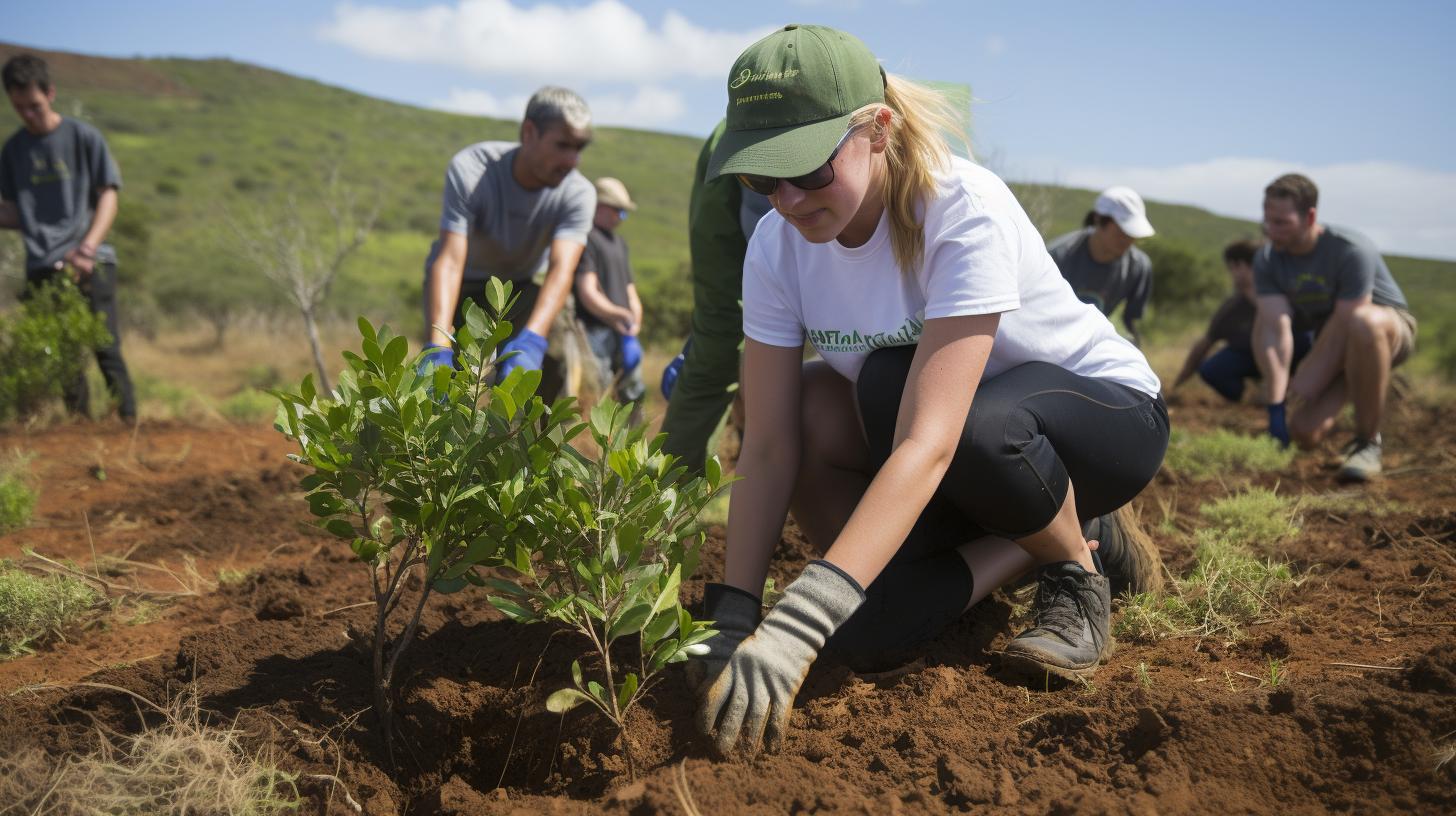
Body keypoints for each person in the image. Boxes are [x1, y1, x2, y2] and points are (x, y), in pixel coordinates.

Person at [689, 24, 1169, 757]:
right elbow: (771, 440)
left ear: (876, 130)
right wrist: (739, 611)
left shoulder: (958, 206)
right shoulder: (776, 248)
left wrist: (798, 619)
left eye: (808, 170)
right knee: (866, 626)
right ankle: (1026, 542)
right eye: (761, 179)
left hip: (1094, 422)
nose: (786, 199)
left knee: (963, 420)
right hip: (955, 454)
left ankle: (1076, 562)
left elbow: (932, 439)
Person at [419, 87, 596, 399]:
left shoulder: (578, 193)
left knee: (553, 372)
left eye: (579, 147)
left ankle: (533, 445)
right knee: (444, 388)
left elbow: (560, 271)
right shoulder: (473, 170)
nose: (572, 160)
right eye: (562, 145)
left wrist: (533, 341)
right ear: (529, 132)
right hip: (463, 286)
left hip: (520, 289)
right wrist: (439, 341)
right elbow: (448, 262)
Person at [1253, 173, 1415, 482]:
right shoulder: (1267, 259)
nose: (1272, 231)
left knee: (1363, 322)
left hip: (1386, 330)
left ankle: (1368, 443)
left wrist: (1309, 376)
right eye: (1268, 221)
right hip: (1336, 345)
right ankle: (1363, 394)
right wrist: (1277, 402)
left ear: (1310, 216)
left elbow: (1347, 319)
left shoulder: (1349, 249)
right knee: (1302, 432)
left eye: (1282, 223)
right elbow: (1275, 327)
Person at [1, 53, 135, 421]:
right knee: (61, 354)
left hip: (92, 260)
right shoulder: (13, 151)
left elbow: (109, 195)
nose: (28, 114)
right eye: (19, 107)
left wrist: (87, 248)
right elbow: (15, 212)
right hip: (43, 264)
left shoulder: (83, 137)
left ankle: (128, 428)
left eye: (35, 106)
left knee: (105, 347)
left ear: (51, 93)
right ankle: (80, 433)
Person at [659, 120, 772, 475]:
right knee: (717, 359)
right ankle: (658, 511)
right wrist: (709, 333)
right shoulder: (734, 148)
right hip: (730, 161)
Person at [1171, 238, 1313, 401]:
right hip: (1251, 360)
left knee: (1307, 339)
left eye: (1233, 267)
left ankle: (1293, 390)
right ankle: (1248, 397)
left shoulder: (1290, 296)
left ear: (1245, 266)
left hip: (1294, 359)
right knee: (1211, 369)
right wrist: (1179, 384)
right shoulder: (1232, 308)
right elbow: (1203, 346)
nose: (1231, 273)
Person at [573, 176, 645, 419]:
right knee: (599, 392)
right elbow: (587, 290)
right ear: (599, 206)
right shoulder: (586, 238)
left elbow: (629, 289)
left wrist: (634, 320)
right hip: (595, 331)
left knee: (633, 391)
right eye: (618, 210)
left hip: (623, 331)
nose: (621, 216)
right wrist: (618, 315)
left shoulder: (619, 243)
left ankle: (632, 444)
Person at [1046, 187, 1155, 347]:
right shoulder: (1057, 256)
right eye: (1122, 231)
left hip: (1098, 344)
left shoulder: (1139, 267)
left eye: (1133, 234)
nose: (1128, 240)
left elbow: (1129, 323)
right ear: (1098, 219)